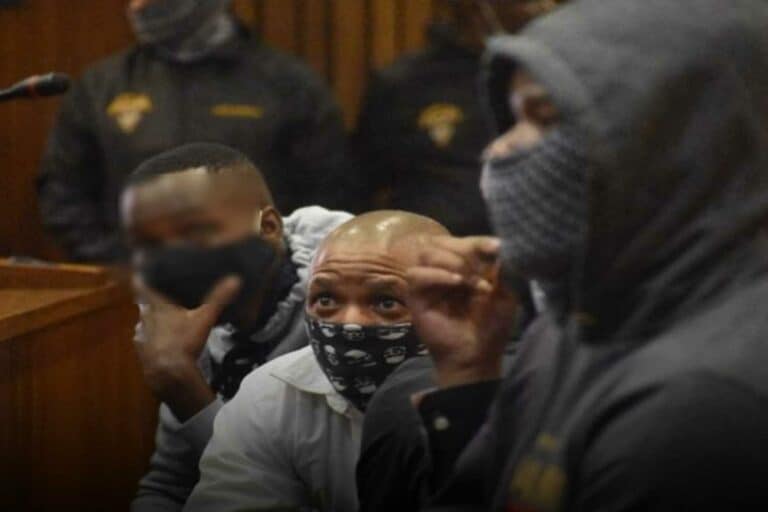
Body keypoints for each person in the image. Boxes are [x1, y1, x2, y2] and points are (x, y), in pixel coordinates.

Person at [406, 0, 768, 510]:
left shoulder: (703, 401)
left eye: (545, 117)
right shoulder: (574, 321)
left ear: (669, 142)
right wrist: (468, 375)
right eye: (513, 118)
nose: (498, 151)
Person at [122, 142, 351, 511]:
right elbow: (170, 484)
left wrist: (182, 385)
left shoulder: (347, 314)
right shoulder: (187, 318)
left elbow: (304, 495)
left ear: (268, 228)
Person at [38, 0, 350, 263]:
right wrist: (121, 262)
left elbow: (331, 193)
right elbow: (62, 192)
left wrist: (274, 264)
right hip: (133, 288)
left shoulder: (288, 86)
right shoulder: (100, 87)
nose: (139, 5)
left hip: (260, 288)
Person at [183, 211, 447, 512]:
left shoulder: (487, 399)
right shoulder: (271, 394)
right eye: (326, 299)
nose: (349, 322)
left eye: (386, 302)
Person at [354, 0, 561, 236]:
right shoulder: (402, 84)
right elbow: (359, 191)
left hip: (546, 247)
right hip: (433, 252)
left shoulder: (563, 73)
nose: (543, 6)